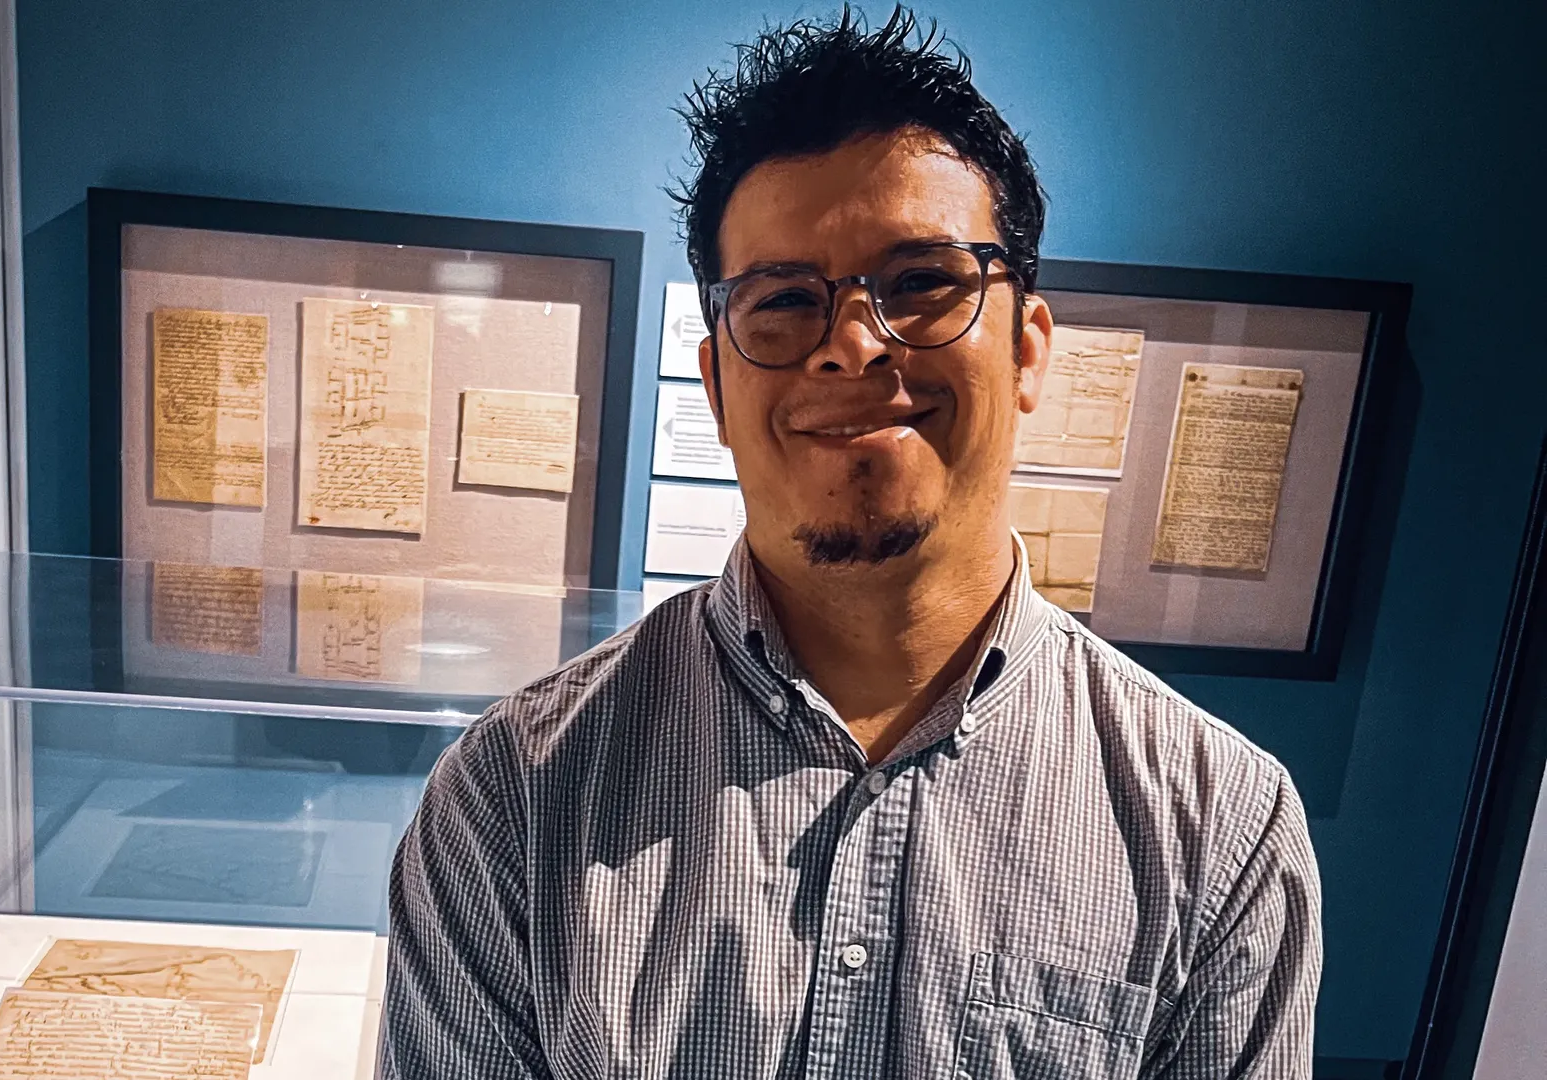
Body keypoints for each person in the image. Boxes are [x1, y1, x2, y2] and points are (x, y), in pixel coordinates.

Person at [380, 8, 1321, 1078]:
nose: (853, 343)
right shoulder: (516, 797)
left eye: (921, 283)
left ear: (1027, 348)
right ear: (720, 386)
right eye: (784, 301)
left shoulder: (1219, 828)